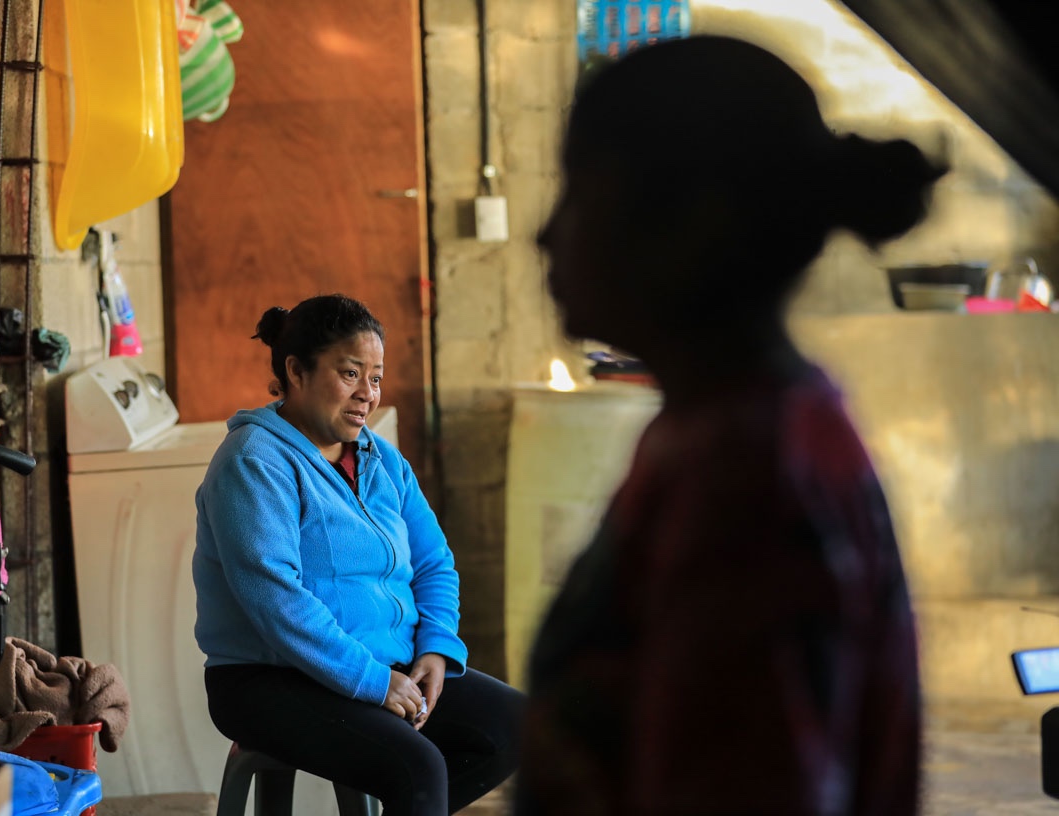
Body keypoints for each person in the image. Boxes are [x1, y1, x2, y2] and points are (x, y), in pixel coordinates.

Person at [515, 36, 946, 815]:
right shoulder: (733, 428)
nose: (544, 236)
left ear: (693, 221)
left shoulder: (744, 481)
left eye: (579, 192)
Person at [193, 293, 524, 816]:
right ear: (296, 371)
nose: (367, 394)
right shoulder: (254, 461)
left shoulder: (380, 459)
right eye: (350, 374)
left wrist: (435, 648)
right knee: (417, 766)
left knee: (516, 728)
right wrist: (372, 681)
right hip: (268, 679)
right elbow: (276, 599)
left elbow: (434, 561)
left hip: (386, 662)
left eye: (375, 377)